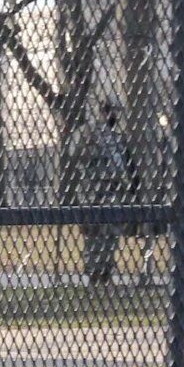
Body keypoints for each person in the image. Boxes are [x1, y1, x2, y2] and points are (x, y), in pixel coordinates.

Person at [65, 97, 133, 287]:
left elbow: (126, 164)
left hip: (113, 189)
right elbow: (74, 152)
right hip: (92, 189)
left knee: (111, 233)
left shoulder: (118, 139)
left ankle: (105, 269)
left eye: (116, 113)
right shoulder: (89, 132)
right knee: (94, 233)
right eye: (110, 112)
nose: (114, 116)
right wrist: (85, 141)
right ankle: (93, 270)